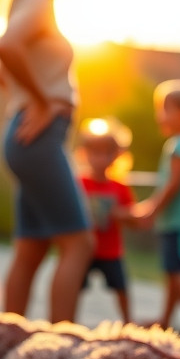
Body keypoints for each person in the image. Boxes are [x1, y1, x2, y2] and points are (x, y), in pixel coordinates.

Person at [0, 0, 94, 323]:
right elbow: (5, 48)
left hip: (28, 138)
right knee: (79, 244)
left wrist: (25, 97)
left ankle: (8, 336)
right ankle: (63, 342)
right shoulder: (37, 2)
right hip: (37, 139)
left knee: (32, 247)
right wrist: (41, 100)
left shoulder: (25, 3)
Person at [132, 81, 180, 338]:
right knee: (172, 272)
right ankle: (165, 320)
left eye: (167, 109)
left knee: (177, 273)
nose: (161, 116)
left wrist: (152, 209)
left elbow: (173, 184)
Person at [76, 118, 137, 324]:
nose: (100, 159)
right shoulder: (78, 184)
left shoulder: (120, 187)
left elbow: (133, 218)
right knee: (74, 285)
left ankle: (128, 322)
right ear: (85, 154)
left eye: (106, 153)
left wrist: (123, 214)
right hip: (84, 250)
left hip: (111, 251)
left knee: (121, 288)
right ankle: (67, 321)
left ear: (116, 156)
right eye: (95, 153)